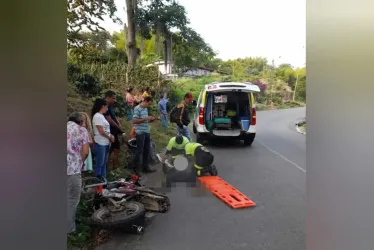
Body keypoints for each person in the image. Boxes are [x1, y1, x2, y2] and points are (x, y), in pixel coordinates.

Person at [67, 112, 90, 234]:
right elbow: (85, 152)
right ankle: (69, 228)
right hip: (72, 169)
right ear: (81, 122)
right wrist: (81, 162)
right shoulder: (82, 130)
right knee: (71, 199)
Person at [132, 96, 157, 175]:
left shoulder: (145, 109)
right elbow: (134, 121)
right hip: (140, 132)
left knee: (147, 150)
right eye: (148, 104)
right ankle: (136, 169)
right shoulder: (137, 108)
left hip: (146, 131)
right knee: (139, 151)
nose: (148, 106)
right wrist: (146, 118)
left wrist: (150, 119)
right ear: (145, 101)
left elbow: (145, 121)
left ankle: (145, 167)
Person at [92, 98, 114, 181]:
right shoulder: (97, 116)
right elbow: (101, 131)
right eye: (106, 107)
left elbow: (105, 130)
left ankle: (104, 181)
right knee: (100, 163)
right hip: (100, 143)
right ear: (102, 106)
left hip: (105, 142)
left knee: (104, 163)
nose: (107, 109)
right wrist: (109, 137)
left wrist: (110, 136)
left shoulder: (102, 116)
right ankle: (98, 182)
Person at [104, 91, 123, 170]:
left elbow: (114, 117)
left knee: (116, 149)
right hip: (109, 132)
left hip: (114, 131)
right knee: (109, 151)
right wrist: (118, 127)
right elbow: (109, 120)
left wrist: (118, 123)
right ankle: (106, 169)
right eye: (113, 98)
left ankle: (114, 167)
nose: (115, 100)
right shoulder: (104, 107)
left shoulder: (111, 106)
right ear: (107, 98)